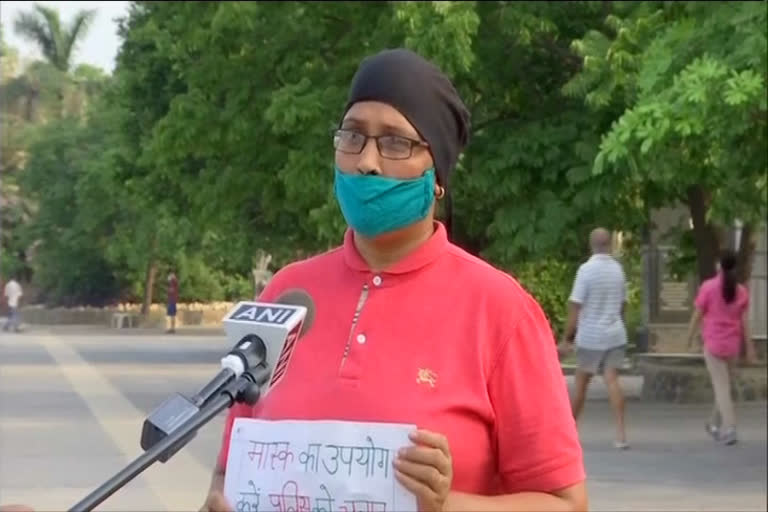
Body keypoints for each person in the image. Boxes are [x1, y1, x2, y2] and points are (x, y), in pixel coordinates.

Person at [201, 48, 586, 512]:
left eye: (395, 143)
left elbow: (565, 504)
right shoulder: (287, 293)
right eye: (353, 136)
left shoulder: (500, 310)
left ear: (437, 174)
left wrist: (448, 506)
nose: (367, 161)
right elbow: (230, 468)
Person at [560, 228, 629, 450]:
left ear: (591, 245)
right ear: (610, 244)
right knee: (612, 380)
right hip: (615, 333)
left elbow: (575, 305)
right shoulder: (618, 270)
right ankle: (621, 434)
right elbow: (623, 304)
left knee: (581, 386)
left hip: (590, 337)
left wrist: (567, 338)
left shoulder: (586, 271)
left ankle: (569, 434)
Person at [686, 249, 757, 445]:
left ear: (719, 265)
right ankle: (713, 423)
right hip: (732, 345)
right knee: (725, 386)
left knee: (722, 388)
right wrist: (749, 348)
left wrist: (689, 337)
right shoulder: (742, 291)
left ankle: (730, 428)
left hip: (713, 344)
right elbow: (745, 323)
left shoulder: (708, 287)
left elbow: (697, 315)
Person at [166, 270, 179, 334]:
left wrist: (170, 280)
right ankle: (171, 328)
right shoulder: (173, 282)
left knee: (171, 315)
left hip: (172, 301)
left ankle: (172, 328)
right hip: (171, 300)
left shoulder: (173, 282)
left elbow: (171, 290)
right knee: (171, 315)